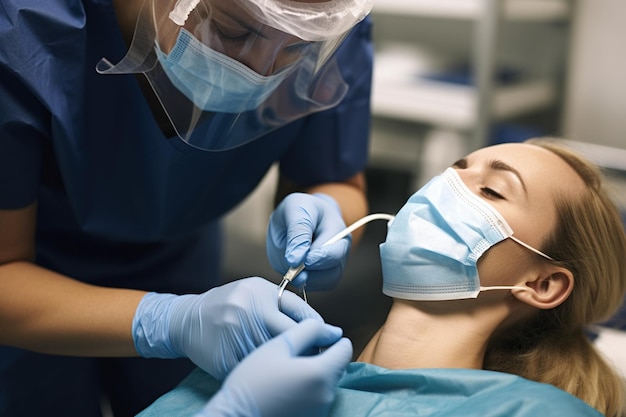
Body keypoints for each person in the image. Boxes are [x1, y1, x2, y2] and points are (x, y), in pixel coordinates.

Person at [0, 0, 374, 415]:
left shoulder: (325, 15)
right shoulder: (21, 29)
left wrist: (329, 213)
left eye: (297, 50)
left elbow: (334, 177)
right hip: (30, 277)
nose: (263, 71)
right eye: (235, 32)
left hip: (182, 263)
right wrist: (169, 320)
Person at [136, 138, 626, 417]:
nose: (446, 187)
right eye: (455, 169)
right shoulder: (252, 369)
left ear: (542, 285)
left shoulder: (529, 413)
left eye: (492, 190)